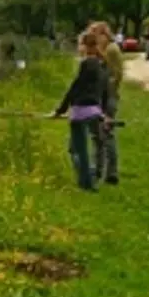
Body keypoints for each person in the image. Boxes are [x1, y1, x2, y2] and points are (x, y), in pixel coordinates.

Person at [48, 32, 110, 192]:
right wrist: (103, 112)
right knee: (85, 147)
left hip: (80, 111)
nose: (78, 47)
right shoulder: (100, 64)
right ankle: (90, 177)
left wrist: (60, 110)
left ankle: (87, 183)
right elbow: (103, 91)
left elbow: (74, 89)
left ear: (85, 46)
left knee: (77, 150)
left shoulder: (86, 64)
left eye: (80, 44)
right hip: (94, 111)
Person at [89, 22, 123, 185]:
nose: (93, 38)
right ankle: (99, 169)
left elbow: (114, 75)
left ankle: (109, 171)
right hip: (104, 96)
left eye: (95, 34)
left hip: (107, 97)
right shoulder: (107, 50)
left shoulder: (110, 50)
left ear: (103, 34)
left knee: (105, 133)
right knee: (99, 134)